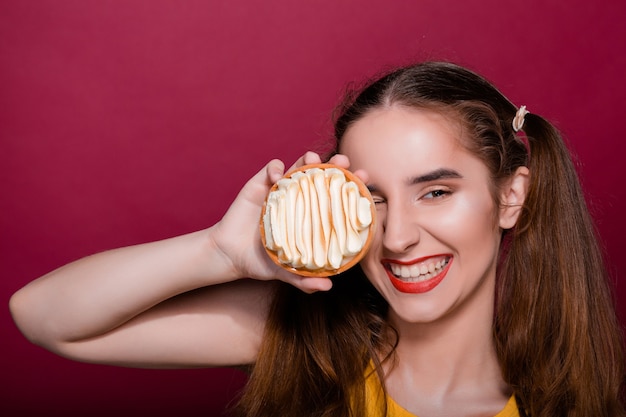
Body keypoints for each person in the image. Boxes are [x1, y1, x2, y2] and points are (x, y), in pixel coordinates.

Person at [10, 62, 625, 417]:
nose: (399, 237)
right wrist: (218, 253)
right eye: (372, 199)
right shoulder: (309, 343)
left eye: (436, 191)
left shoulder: (575, 401)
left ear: (510, 197)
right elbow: (43, 317)